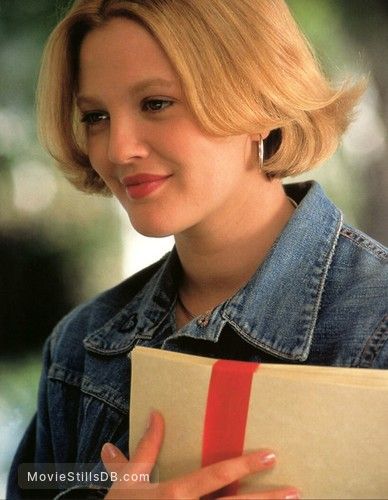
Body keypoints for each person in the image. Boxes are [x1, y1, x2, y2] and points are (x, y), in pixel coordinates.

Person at [7, 0, 388, 498]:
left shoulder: (377, 323)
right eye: (96, 116)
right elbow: (39, 482)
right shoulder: (80, 346)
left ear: (259, 103)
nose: (118, 149)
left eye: (156, 104)